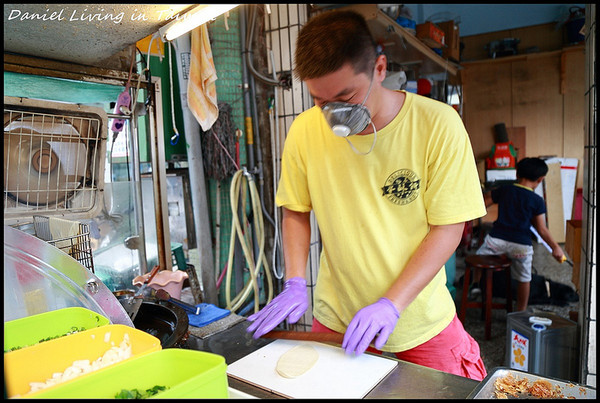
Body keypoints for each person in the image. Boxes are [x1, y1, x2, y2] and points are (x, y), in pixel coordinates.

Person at [246, 10, 488, 381]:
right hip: (338, 319)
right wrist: (295, 281)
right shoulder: (304, 131)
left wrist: (391, 304)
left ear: (379, 68)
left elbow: (448, 228)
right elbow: (296, 209)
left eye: (346, 95)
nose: (334, 114)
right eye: (320, 101)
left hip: (417, 322)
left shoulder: (437, 125)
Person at [471, 157, 565, 311]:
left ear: (517, 174)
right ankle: (520, 311)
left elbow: (484, 202)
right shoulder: (537, 200)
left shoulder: (505, 190)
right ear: (540, 179)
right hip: (521, 246)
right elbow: (541, 229)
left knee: (479, 257)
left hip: (496, 240)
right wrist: (555, 248)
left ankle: (475, 285)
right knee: (524, 278)